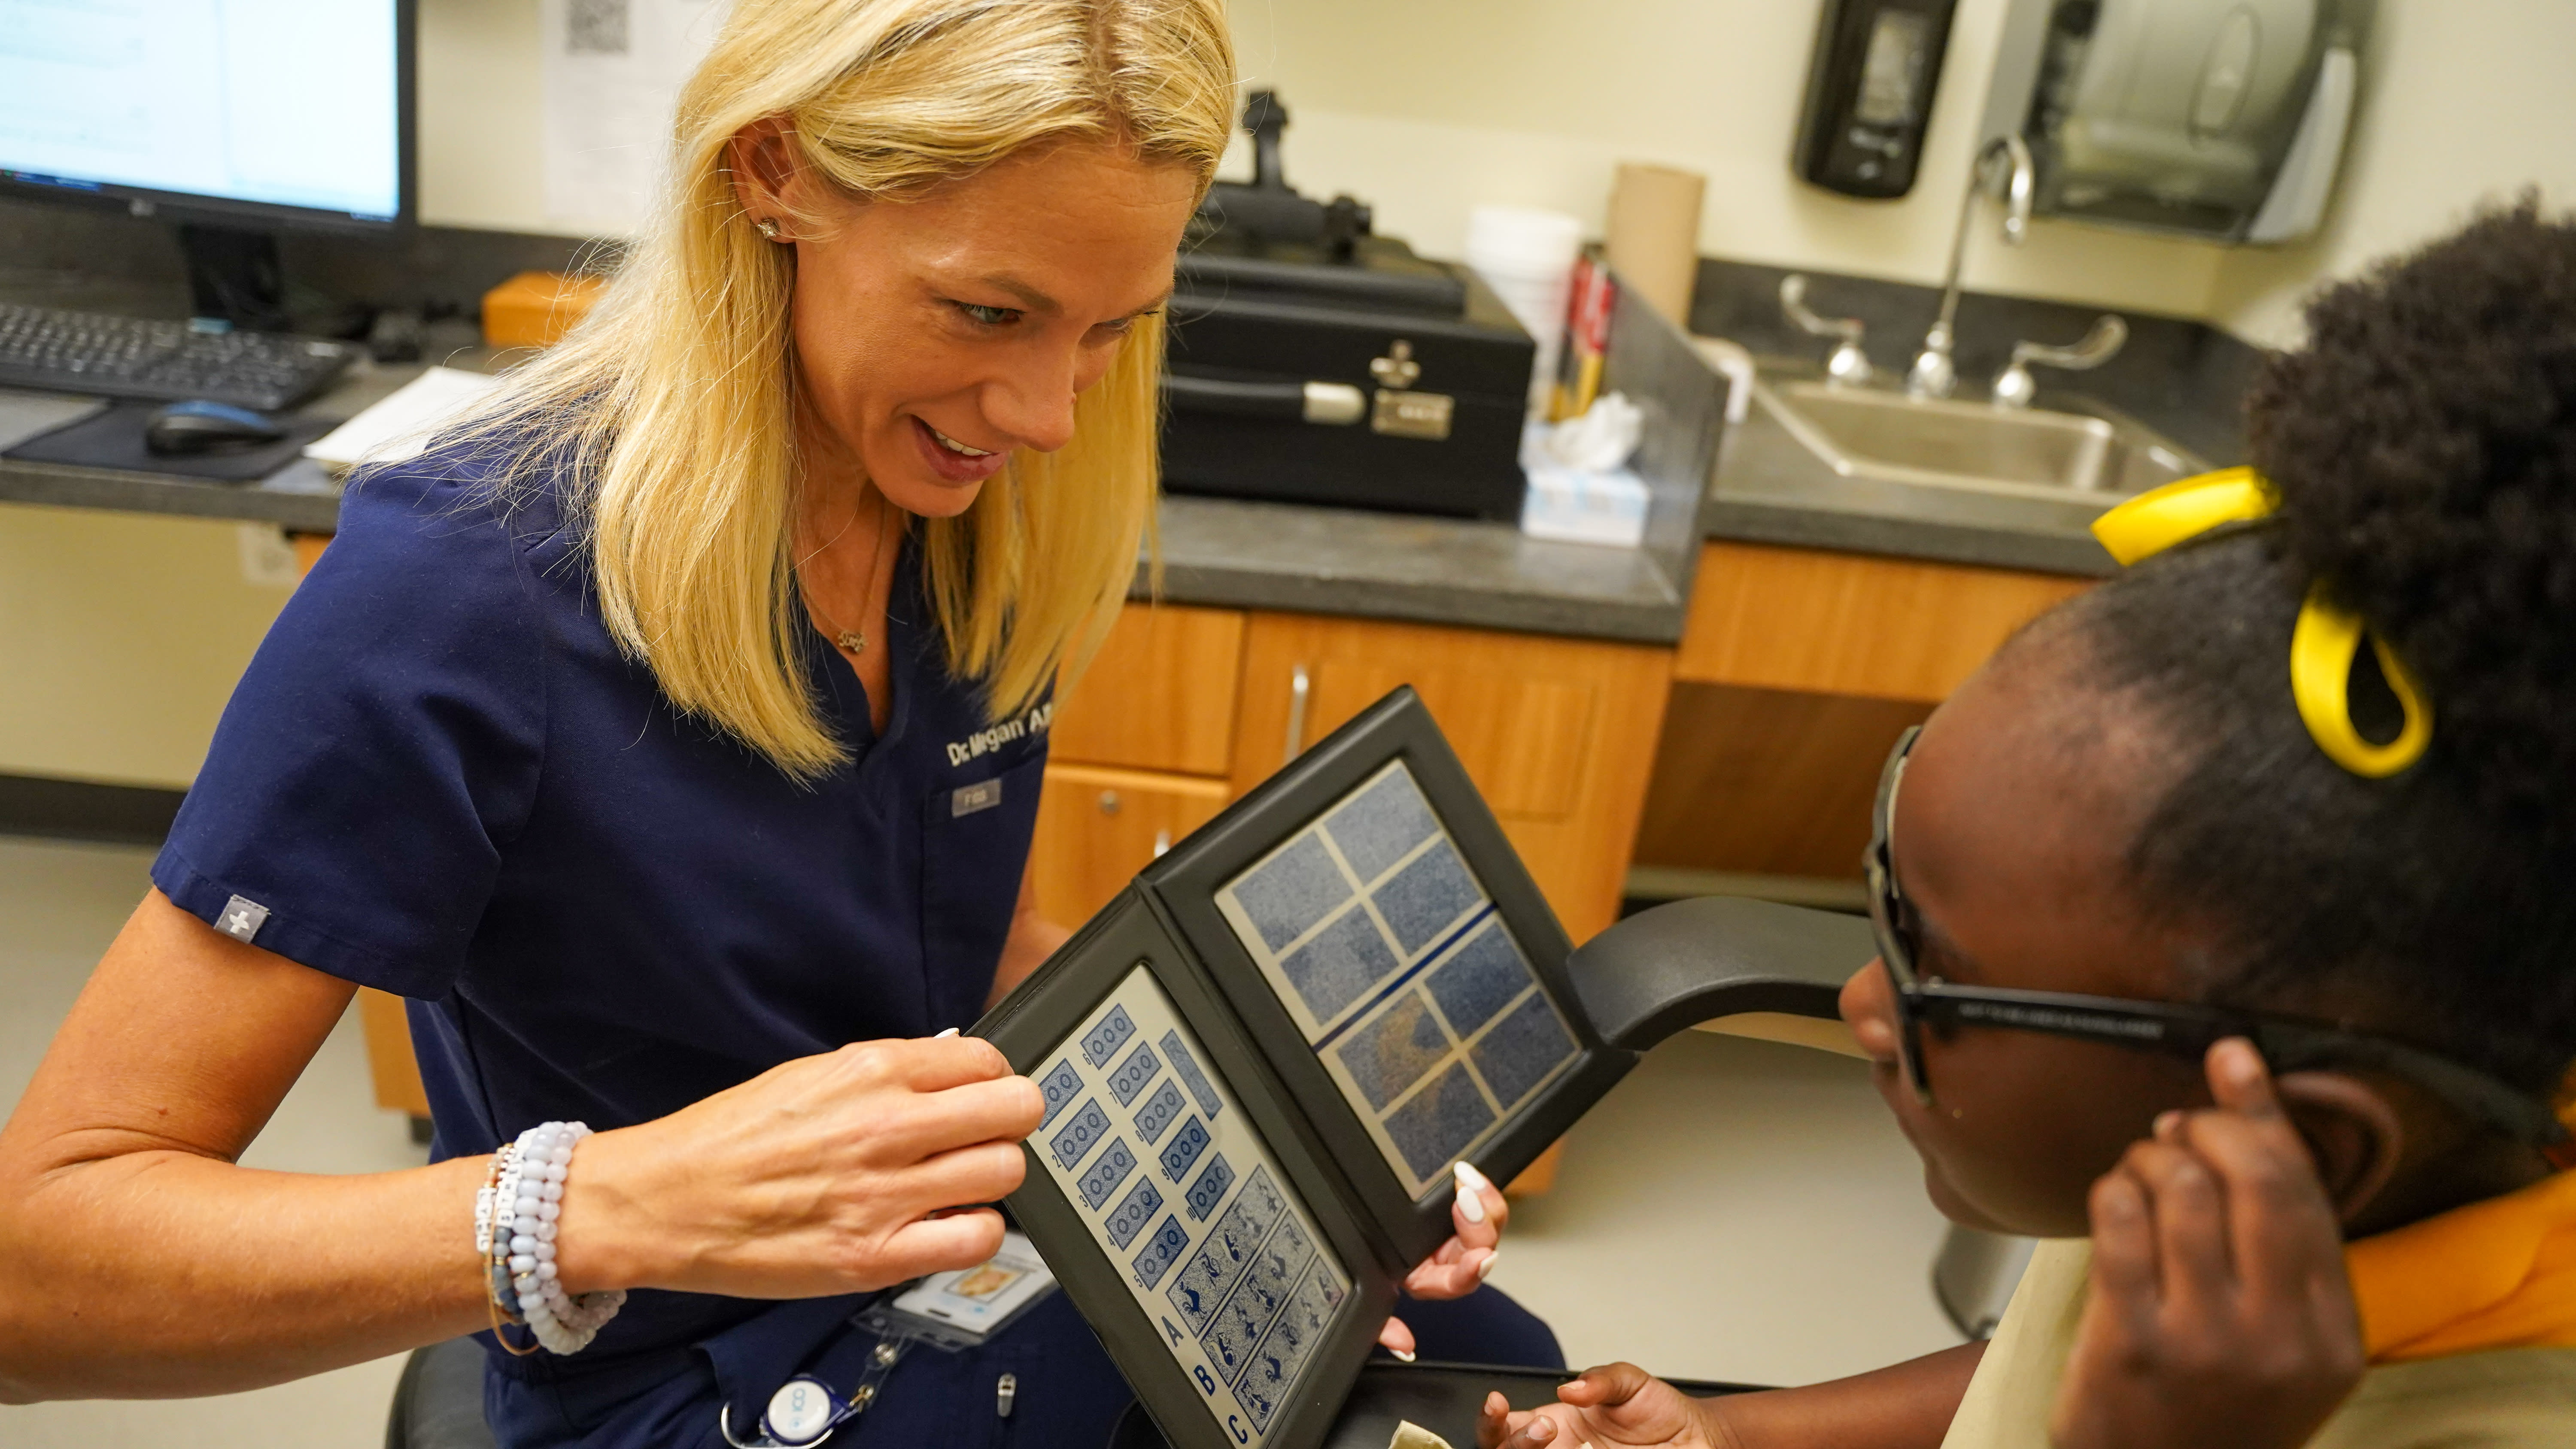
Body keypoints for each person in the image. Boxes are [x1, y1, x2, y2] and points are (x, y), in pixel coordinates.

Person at [0, 3, 1549, 1444]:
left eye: (1108, 330)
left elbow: (960, 943)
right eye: (989, 310)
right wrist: (608, 1207)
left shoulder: (961, 512)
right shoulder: (464, 584)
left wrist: (1286, 1180)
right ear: (773, 176)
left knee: (1491, 1368)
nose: (1048, 414)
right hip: (678, 1375)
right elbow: (42, 1274)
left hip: (949, 1266)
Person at [1479, 203, 2576, 1449]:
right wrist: (1745, 1435)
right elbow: (2040, 1370)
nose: (1860, 1001)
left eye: (1939, 973)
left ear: (2310, 1147)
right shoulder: (2232, 1249)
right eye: (1891, 903)